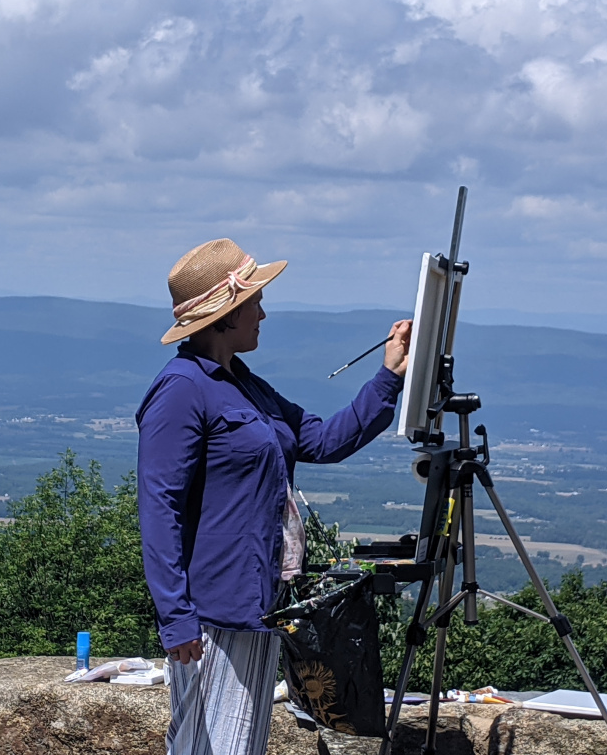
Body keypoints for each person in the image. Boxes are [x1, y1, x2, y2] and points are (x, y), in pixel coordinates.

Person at [136, 238, 410, 755]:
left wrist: (389, 375)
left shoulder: (244, 384)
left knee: (239, 744)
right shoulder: (181, 389)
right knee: (208, 747)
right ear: (227, 313)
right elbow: (159, 509)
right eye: (254, 300)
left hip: (257, 602)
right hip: (212, 612)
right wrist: (176, 617)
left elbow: (323, 440)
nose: (263, 311)